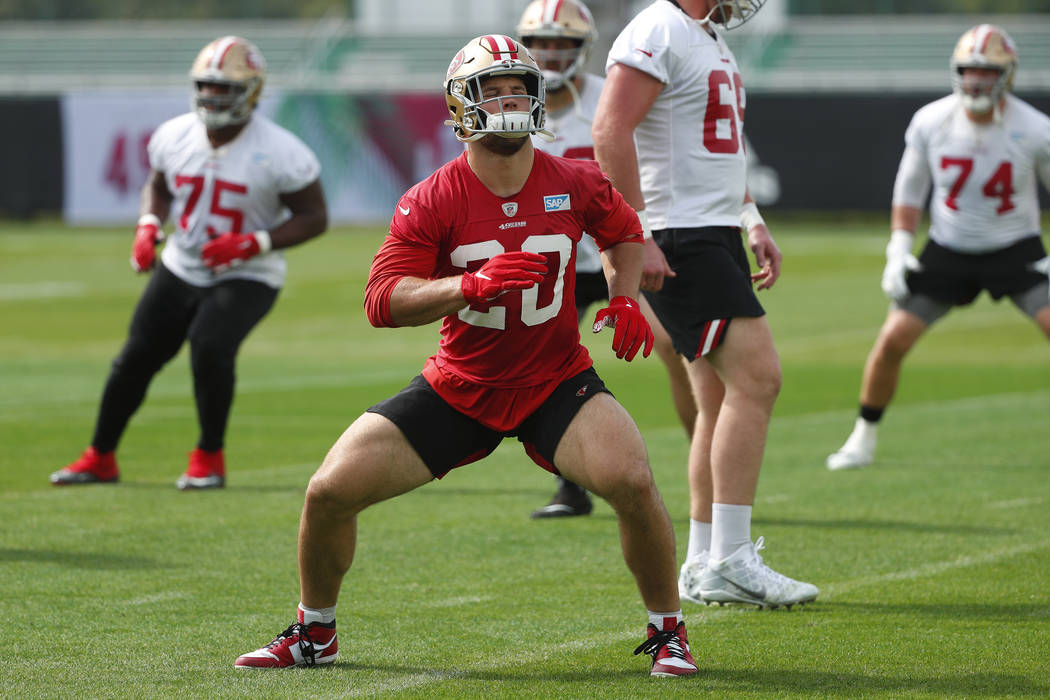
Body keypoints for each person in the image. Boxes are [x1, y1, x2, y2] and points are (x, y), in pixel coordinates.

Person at [234, 35, 697, 677]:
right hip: (462, 384)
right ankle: (315, 633)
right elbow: (381, 298)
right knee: (328, 492)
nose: (509, 100)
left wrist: (621, 300)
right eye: (493, 90)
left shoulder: (576, 177)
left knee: (633, 480)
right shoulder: (434, 197)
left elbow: (622, 234)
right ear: (460, 107)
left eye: (518, 88)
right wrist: (467, 285)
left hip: (554, 380)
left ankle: (668, 630)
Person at [592, 0, 818, 609]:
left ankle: (703, 558)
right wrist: (635, 230)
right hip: (679, 231)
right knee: (759, 379)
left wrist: (749, 217)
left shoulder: (705, 33)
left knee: (716, 398)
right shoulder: (659, 25)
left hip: (708, 227)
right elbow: (610, 127)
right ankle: (734, 558)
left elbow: (715, 145)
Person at [49, 36, 328, 490]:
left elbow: (315, 217)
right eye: (207, 86)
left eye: (224, 88)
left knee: (210, 346)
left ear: (251, 91)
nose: (213, 97)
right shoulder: (174, 135)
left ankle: (208, 457)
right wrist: (148, 225)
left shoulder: (283, 152)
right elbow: (158, 185)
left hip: (249, 274)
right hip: (182, 263)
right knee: (135, 358)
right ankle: (100, 456)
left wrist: (252, 243)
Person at [826, 25, 1050, 471]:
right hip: (949, 244)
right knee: (892, 339)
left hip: (1015, 246)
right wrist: (899, 248)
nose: (977, 81)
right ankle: (863, 437)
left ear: (1007, 76)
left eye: (987, 72)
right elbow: (910, 192)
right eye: (969, 71)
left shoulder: (1036, 128)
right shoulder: (932, 120)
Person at [517, 0, 698, 520]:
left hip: (620, 249)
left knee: (675, 348)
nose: (550, 53)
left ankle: (704, 463)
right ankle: (569, 485)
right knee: (541, 370)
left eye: (561, 42)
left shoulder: (608, 98)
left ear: (583, 47)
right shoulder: (513, 107)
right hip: (555, 263)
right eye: (541, 42)